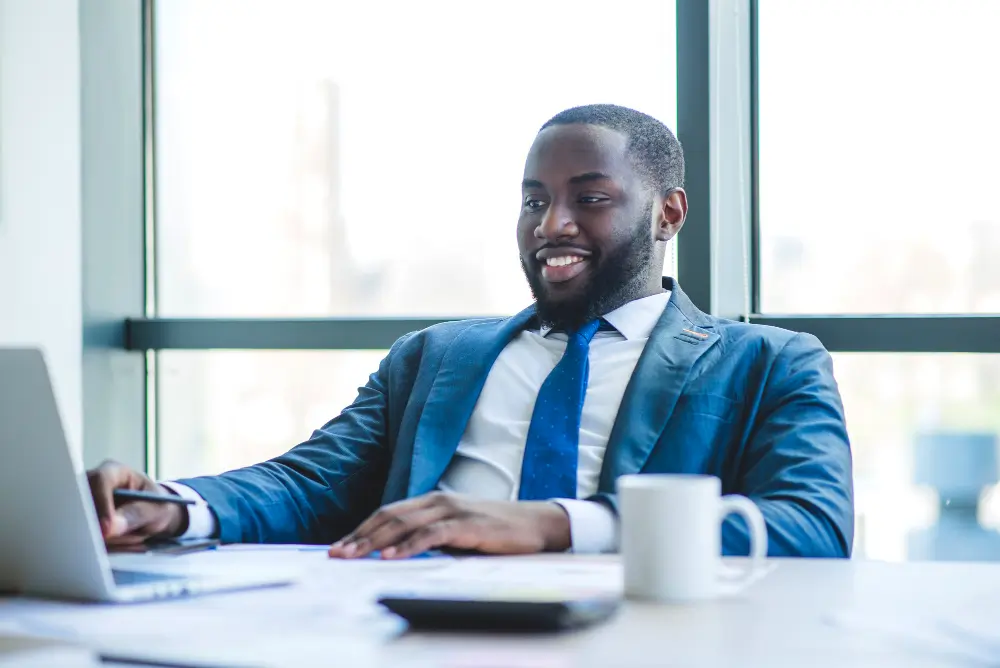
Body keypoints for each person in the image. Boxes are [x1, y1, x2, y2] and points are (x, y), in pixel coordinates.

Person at [88, 104, 854, 559]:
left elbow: (813, 526)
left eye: (589, 199)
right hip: (421, 636)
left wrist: (553, 527)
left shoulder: (770, 363)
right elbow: (308, 483)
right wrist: (172, 506)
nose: (551, 225)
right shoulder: (433, 356)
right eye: (534, 201)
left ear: (668, 214)